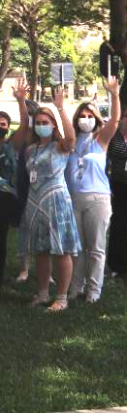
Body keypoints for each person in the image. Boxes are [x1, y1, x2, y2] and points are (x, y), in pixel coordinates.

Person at [23, 86, 80, 312]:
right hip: (35, 202)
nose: (41, 125)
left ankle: (62, 297)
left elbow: (72, 136)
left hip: (56, 201)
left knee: (61, 250)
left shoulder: (61, 146)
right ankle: (43, 292)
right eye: (38, 122)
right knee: (41, 251)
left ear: (53, 125)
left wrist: (60, 108)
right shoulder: (31, 150)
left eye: (46, 122)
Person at [67, 77, 120, 303]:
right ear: (76, 118)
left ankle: (94, 289)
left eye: (90, 116)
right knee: (76, 247)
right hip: (73, 199)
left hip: (97, 198)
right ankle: (75, 287)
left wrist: (115, 95)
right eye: (82, 116)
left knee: (96, 247)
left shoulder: (101, 139)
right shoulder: (69, 141)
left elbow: (115, 121)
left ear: (95, 119)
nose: (86, 120)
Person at [0, 79, 30, 296]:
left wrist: (21, 101)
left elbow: (25, 125)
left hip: (5, 199)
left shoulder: (13, 145)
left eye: (3, 124)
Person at [106, 106, 127, 278]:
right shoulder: (115, 137)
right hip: (118, 185)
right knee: (118, 224)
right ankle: (115, 264)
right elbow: (106, 159)